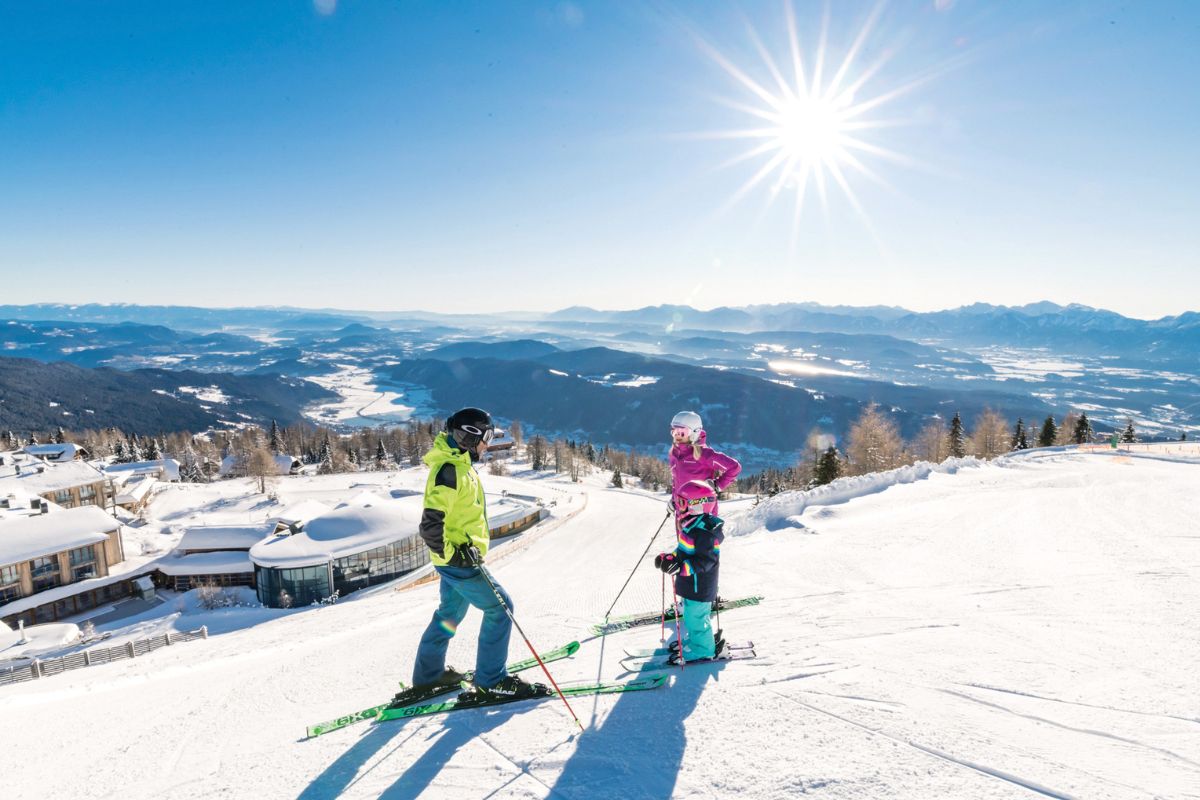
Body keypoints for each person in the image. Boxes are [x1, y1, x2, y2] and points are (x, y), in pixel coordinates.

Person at [409, 407, 546, 700]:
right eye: (485, 437)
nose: (488, 444)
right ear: (470, 438)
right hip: (458, 562)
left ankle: (428, 676)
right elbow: (430, 525)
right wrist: (454, 555)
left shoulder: (459, 464)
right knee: (500, 608)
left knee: (449, 614)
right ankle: (492, 679)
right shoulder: (450, 470)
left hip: (457, 558)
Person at [655, 479, 727, 663]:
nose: (679, 508)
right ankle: (697, 640)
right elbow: (684, 550)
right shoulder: (693, 525)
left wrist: (681, 567)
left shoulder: (705, 533)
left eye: (682, 503)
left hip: (700, 586)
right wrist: (671, 559)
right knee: (690, 614)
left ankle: (704, 648)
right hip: (691, 584)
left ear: (697, 505)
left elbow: (707, 561)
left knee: (697, 618)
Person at [668, 410, 741, 516]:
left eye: (682, 432)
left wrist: (718, 485)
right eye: (674, 431)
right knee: (682, 534)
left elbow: (734, 467)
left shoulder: (704, 454)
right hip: (682, 512)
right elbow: (676, 482)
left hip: (702, 512)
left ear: (694, 432)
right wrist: (674, 500)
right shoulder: (674, 454)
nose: (677, 436)